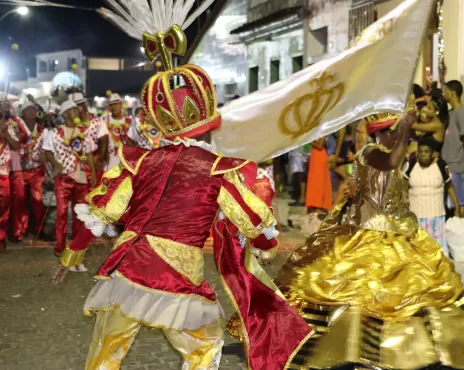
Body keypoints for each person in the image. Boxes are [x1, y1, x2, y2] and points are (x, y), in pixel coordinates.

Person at [50, 16, 312, 369]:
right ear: (206, 126)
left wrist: (71, 257)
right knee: (205, 347)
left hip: (125, 270)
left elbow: (100, 214)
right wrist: (265, 247)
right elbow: (253, 220)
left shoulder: (140, 161)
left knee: (104, 355)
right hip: (176, 276)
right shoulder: (217, 168)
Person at [277, 111, 464, 370]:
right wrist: (407, 129)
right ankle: (347, 350)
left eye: (396, 131)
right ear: (381, 133)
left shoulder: (391, 153)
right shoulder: (370, 152)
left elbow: (396, 178)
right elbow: (392, 160)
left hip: (397, 233)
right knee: (363, 295)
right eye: (392, 131)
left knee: (409, 295)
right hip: (367, 234)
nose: (396, 136)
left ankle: (407, 352)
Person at [43, 100, 96, 258]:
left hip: (80, 177)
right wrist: (55, 164)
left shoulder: (83, 132)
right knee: (62, 213)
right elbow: (47, 151)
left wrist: (92, 172)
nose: (77, 113)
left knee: (80, 213)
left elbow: (90, 153)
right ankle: (60, 246)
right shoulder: (55, 133)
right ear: (65, 114)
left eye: (76, 110)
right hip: (63, 178)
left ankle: (77, 246)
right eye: (73, 111)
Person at [403, 136, 460, 256]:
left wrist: (457, 207)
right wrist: (404, 197)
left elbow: (449, 187)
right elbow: (404, 185)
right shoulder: (411, 164)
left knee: (436, 254)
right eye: (420, 151)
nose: (423, 155)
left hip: (436, 218)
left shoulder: (441, 165)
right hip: (416, 216)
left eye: (426, 152)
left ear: (433, 153)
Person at [17, 102, 50, 240]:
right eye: (28, 110)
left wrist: (45, 155)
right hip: (20, 170)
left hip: (37, 170)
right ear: (22, 113)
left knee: (38, 200)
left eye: (34, 110)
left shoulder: (43, 130)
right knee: (21, 200)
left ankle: (39, 229)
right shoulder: (17, 129)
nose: (32, 112)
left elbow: (47, 148)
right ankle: (21, 229)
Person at [442, 80, 464, 218]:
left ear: (452, 93)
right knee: (449, 204)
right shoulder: (450, 113)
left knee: (459, 202)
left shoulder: (462, 113)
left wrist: (463, 155)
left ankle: (460, 234)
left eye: (445, 91)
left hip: (457, 164)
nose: (443, 94)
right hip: (448, 165)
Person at [68, 92, 108, 190]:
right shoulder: (71, 126)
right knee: (79, 200)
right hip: (77, 166)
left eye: (76, 108)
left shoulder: (97, 121)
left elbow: (104, 141)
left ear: (83, 106)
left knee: (96, 196)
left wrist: (99, 161)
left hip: (95, 164)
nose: (74, 112)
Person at [0, 101, 21, 252]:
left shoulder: (9, 126)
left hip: (3, 172)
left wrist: (5, 133)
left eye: (5, 105)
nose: (4, 108)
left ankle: (0, 240)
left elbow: (16, 147)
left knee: (3, 208)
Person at [7, 106, 30, 243]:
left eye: (6, 104)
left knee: (19, 200)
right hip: (2, 168)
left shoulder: (17, 121)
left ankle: (17, 231)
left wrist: (15, 133)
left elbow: (26, 138)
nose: (4, 107)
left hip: (16, 167)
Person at [100, 93, 130, 172]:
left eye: (116, 104)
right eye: (111, 105)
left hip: (125, 160)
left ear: (121, 104)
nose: (113, 107)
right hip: (109, 161)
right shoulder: (104, 121)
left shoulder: (129, 121)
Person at [305, 136, 333, 213]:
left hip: (320, 156)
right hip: (314, 154)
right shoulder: (316, 132)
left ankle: (319, 204)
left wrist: (310, 141)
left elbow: (320, 146)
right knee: (313, 180)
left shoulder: (323, 132)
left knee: (320, 181)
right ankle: (313, 204)